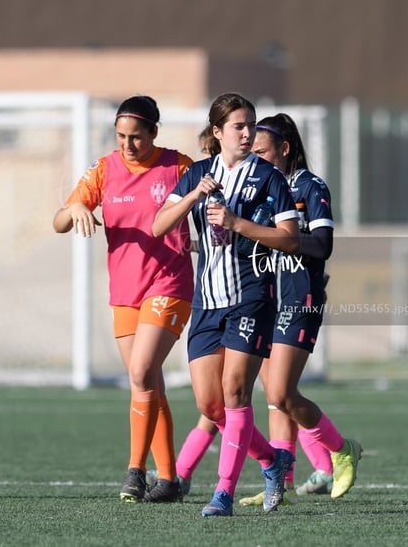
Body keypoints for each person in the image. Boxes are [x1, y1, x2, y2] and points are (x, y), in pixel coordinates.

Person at [152, 92, 300, 517]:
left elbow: (290, 237)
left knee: (236, 392)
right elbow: (159, 225)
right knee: (209, 406)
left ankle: (224, 494)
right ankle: (272, 460)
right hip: (207, 302)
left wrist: (238, 224)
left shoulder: (269, 177)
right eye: (238, 126)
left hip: (251, 298)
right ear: (216, 133)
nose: (247, 133)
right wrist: (193, 196)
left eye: (250, 124)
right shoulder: (198, 173)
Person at [52, 95, 194, 504]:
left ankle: (135, 472)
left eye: (136, 137)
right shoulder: (104, 169)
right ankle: (168, 482)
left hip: (169, 284)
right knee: (148, 381)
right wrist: (76, 205)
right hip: (125, 292)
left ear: (154, 132)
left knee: (140, 372)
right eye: (121, 137)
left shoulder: (178, 167)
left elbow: (207, 207)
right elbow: (59, 221)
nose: (128, 145)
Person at [238, 113, 362, 507]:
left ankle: (342, 449)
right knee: (272, 398)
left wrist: (281, 239)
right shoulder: (263, 189)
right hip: (267, 298)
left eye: (261, 151)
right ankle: (281, 483)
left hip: (299, 296)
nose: (254, 159)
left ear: (285, 148)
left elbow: (322, 246)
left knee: (282, 392)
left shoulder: (309, 186)